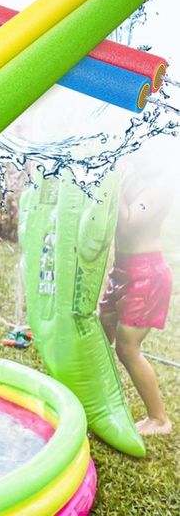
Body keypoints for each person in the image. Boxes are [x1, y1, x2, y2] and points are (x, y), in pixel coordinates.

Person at [99, 146, 175, 436]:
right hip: (123, 271)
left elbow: (129, 223)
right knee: (102, 328)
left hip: (146, 275)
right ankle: (103, 397)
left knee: (127, 347)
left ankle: (159, 419)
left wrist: (115, 183)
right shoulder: (138, 179)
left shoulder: (160, 187)